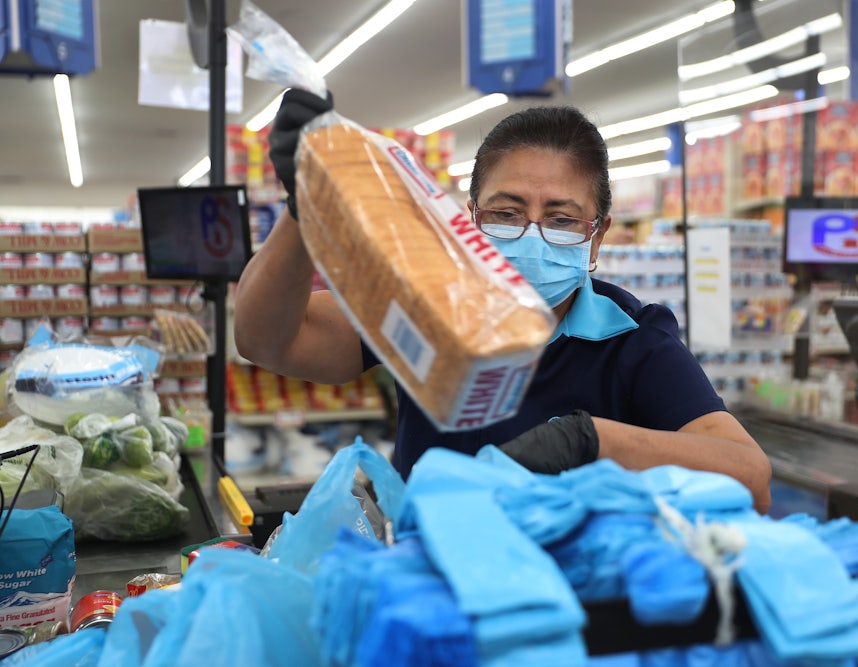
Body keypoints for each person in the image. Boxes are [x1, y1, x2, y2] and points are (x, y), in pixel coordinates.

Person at [233, 90, 772, 513]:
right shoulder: (427, 306)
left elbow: (750, 475)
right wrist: (304, 208)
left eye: (561, 219)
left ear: (598, 235)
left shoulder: (631, 338)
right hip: (429, 579)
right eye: (507, 213)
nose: (532, 237)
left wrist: (590, 441)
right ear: (471, 218)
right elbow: (268, 340)